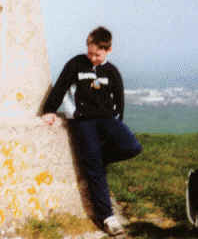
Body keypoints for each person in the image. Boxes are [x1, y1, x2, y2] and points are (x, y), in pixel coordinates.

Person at [41, 26, 142, 236]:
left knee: (132, 146)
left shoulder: (112, 72)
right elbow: (60, 87)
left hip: (106, 119)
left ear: (108, 50)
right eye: (90, 52)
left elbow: (119, 100)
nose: (93, 57)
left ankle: (97, 159)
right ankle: (108, 218)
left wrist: (117, 123)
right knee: (94, 169)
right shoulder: (76, 64)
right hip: (82, 121)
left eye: (97, 54)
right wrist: (49, 110)